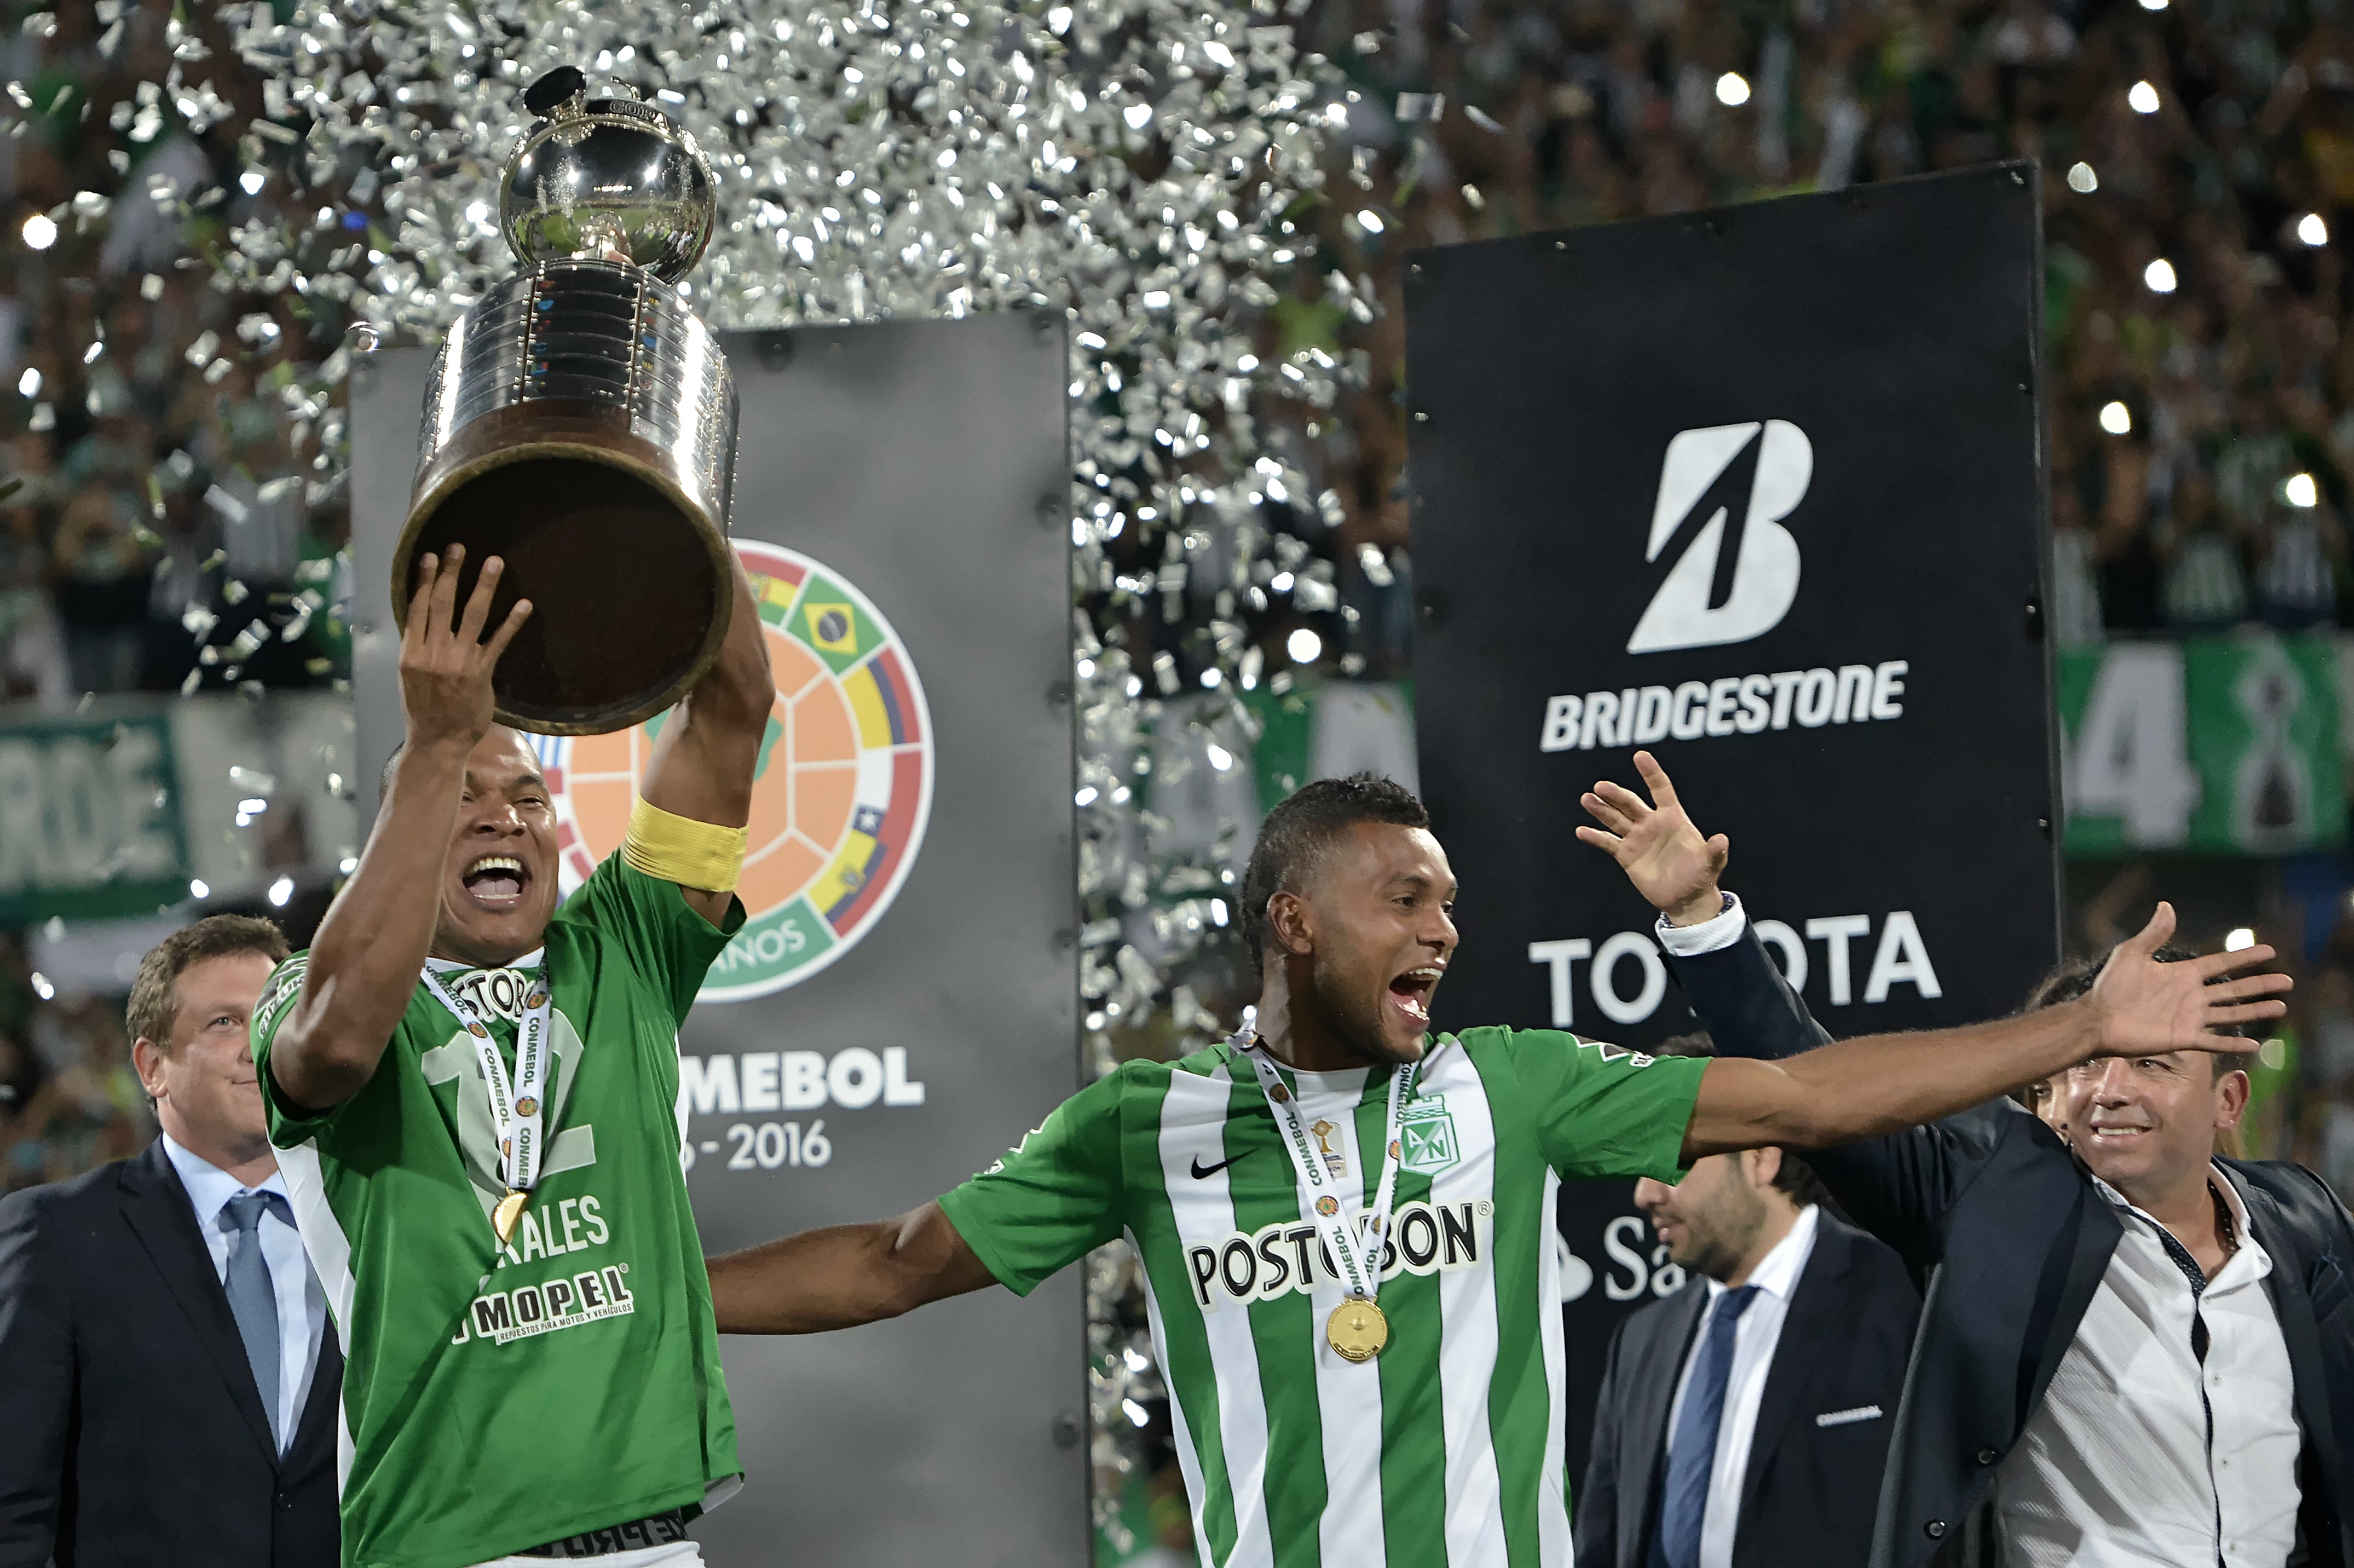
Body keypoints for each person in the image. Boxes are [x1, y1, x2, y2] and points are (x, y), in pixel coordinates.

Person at [702, 770, 2286, 1565]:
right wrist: (663, 1309)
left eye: (1449, 902)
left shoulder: (1511, 1084)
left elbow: (1810, 1096)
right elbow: (897, 1261)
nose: (1444, 931)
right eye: (1403, 900)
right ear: (1293, 920)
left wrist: (2078, 1022)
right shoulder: (1146, 1125)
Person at [1580, 749, 2354, 1568]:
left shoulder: (2302, 1221)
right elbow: (1806, 1080)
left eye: (2151, 1065)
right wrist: (1703, 921)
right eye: (2087, 1064)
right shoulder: (1995, 1201)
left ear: (2228, 1105)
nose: (2107, 1091)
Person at [251, 543, 774, 1568]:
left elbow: (734, 698)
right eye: (461, 796)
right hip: (448, 1543)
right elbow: (341, 1038)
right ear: (402, 828)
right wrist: (435, 743)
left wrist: (663, 493)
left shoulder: (627, 942)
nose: (504, 814)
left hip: (652, 1541)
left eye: (529, 799)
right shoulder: (305, 993)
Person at [0, 914, 340, 1568]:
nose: (257, 1044)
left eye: (275, 1014)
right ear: (153, 1066)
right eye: (224, 1022)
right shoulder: (59, 1237)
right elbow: (14, 1507)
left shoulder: (369, 1219)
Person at [1577, 1033, 1919, 1568]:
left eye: (1672, 1159)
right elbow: (1600, 1547)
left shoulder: (1901, 1302)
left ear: (1761, 1155)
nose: (1644, 1193)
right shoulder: (1642, 1340)